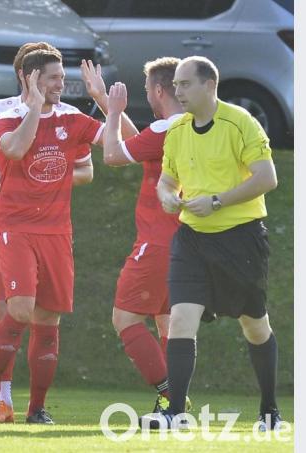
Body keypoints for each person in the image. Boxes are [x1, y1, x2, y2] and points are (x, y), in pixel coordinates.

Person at [144, 56, 282, 431]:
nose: (177, 91)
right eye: (175, 84)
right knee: (180, 319)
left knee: (254, 325)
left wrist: (218, 201)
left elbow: (267, 178)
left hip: (241, 240)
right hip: (191, 239)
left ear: (209, 85)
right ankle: (175, 413)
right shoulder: (178, 131)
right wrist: (167, 195)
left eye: (185, 84)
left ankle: (269, 409)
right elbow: (167, 180)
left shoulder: (241, 123)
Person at [0, 48, 109, 424]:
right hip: (14, 228)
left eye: (61, 77)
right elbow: (15, 150)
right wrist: (35, 107)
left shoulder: (73, 117)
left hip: (56, 232)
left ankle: (37, 408)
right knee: (16, 309)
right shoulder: (5, 115)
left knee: (48, 322)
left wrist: (105, 102)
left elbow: (123, 147)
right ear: (30, 78)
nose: (62, 83)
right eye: (53, 77)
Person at [82, 57, 192, 413]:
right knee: (167, 322)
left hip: (158, 242)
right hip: (187, 244)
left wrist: (113, 111)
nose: (146, 94)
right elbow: (139, 142)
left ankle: (170, 394)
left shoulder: (166, 130)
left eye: (147, 89)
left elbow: (113, 155)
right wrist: (102, 98)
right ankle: (173, 404)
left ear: (159, 90)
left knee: (125, 318)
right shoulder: (191, 127)